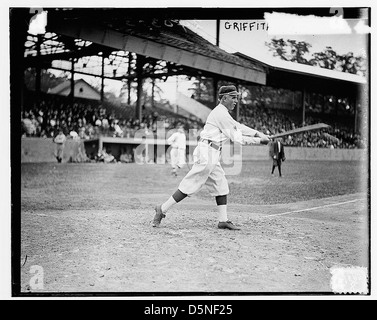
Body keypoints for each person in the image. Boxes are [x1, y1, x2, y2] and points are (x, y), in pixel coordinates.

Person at [152, 85, 270, 230]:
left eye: (237, 98)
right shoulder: (220, 113)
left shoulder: (224, 113)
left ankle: (223, 220)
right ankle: (162, 209)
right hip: (207, 152)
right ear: (224, 98)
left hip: (212, 152)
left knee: (221, 186)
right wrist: (259, 140)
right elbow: (236, 137)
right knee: (191, 184)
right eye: (233, 97)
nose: (236, 101)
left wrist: (258, 133)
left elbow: (237, 126)